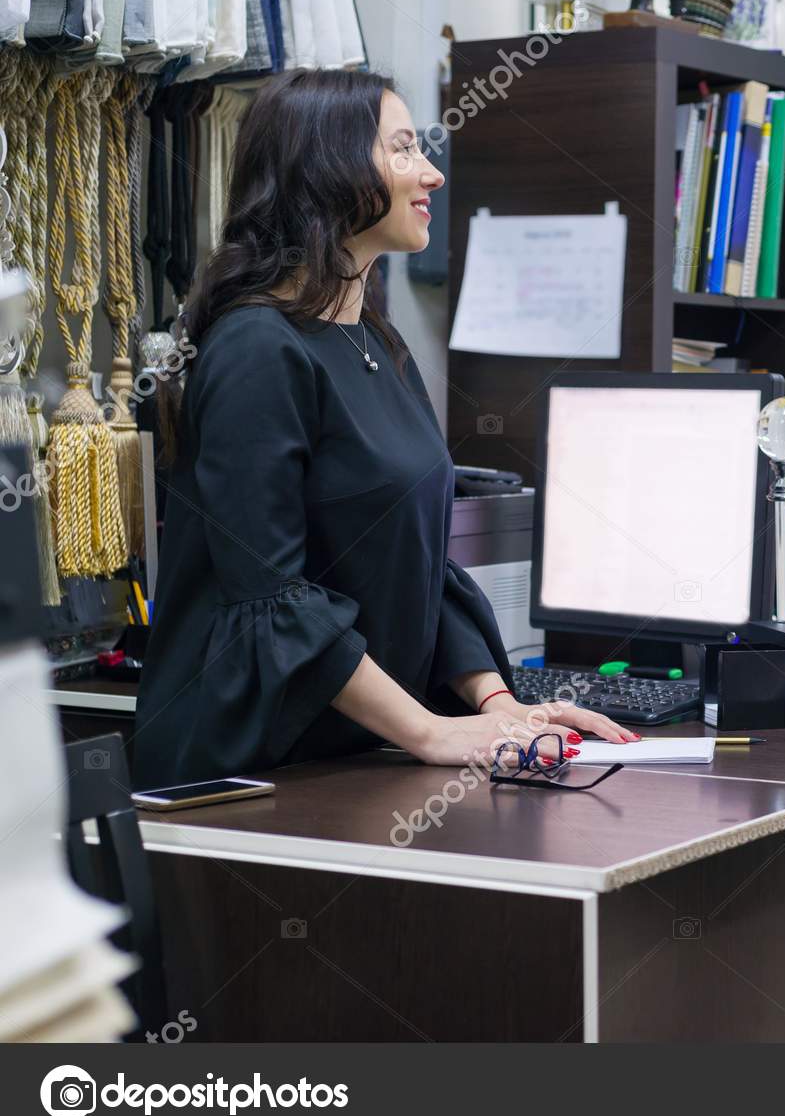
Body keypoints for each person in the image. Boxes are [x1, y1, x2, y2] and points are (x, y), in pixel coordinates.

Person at [134, 70, 636, 788]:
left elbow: (419, 568)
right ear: (326, 167)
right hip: (249, 777)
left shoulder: (376, 340)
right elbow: (273, 601)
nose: (430, 171)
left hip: (359, 752)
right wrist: (432, 733)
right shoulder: (256, 350)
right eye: (403, 149)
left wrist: (498, 705)